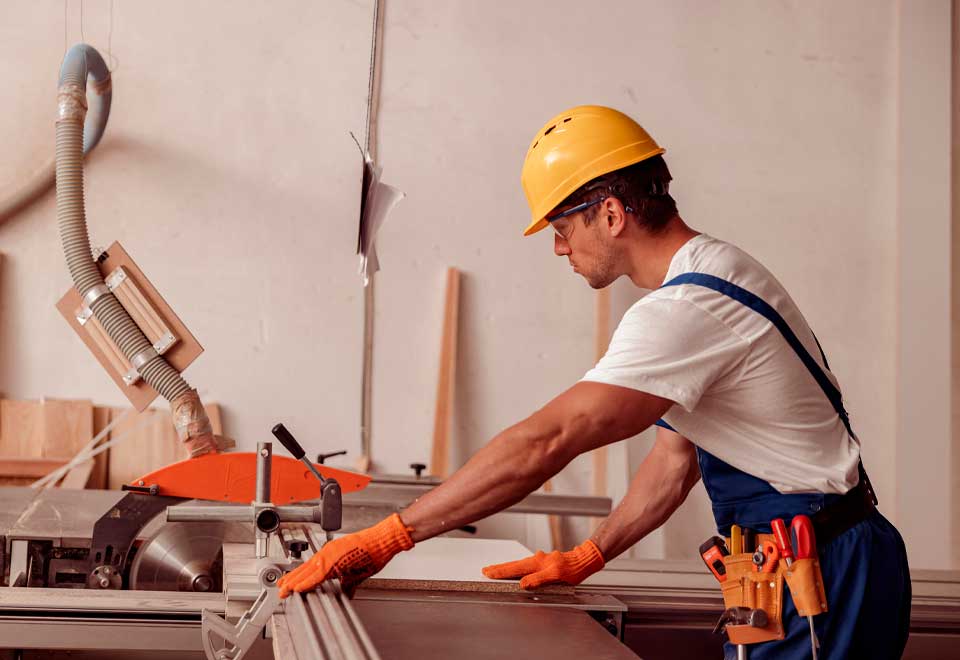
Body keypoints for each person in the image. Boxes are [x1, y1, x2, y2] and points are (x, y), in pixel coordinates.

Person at [278, 105, 911, 658]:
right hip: (811, 559)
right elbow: (676, 458)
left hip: (821, 570)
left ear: (610, 214)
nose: (559, 250)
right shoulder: (716, 272)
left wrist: (390, 536)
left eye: (561, 229)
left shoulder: (686, 309)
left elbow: (547, 441)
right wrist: (590, 555)